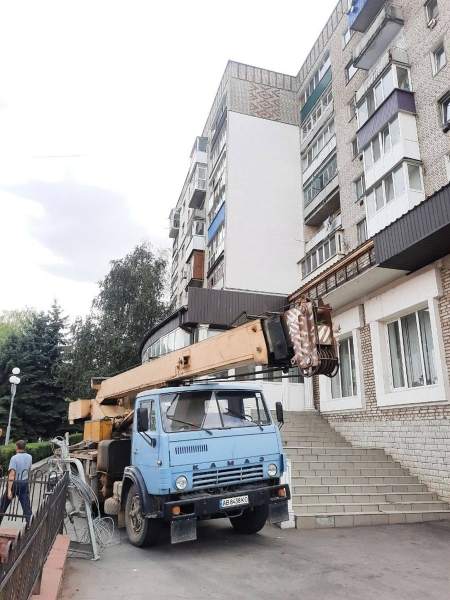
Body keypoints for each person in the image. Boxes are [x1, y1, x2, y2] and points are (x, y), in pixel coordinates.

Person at [0, 440, 32, 528]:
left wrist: (9, 490)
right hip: (24, 482)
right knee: (26, 504)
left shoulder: (14, 458)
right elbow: (29, 470)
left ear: (16, 447)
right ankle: (30, 523)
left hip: (15, 484)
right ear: (25, 447)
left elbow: (12, 474)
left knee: (3, 504)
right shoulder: (29, 457)